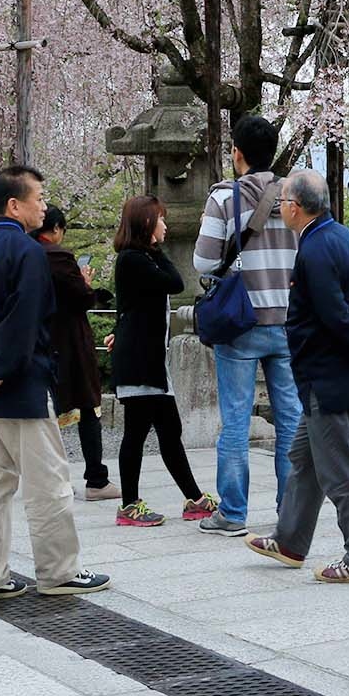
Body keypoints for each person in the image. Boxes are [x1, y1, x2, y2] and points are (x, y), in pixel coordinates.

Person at [0, 165, 109, 605]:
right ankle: (59, 570)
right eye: (39, 198)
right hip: (19, 387)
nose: (43, 206)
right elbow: (23, 322)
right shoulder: (28, 253)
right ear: (15, 205)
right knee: (47, 482)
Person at [245, 169, 349, 584]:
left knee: (343, 469)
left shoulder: (315, 248)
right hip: (329, 372)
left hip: (330, 374)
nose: (281, 207)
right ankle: (290, 540)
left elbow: (333, 316)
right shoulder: (341, 236)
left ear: (295, 206)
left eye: (283, 200)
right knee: (304, 460)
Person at [191, 113, 303, 535]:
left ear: (237, 153)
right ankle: (290, 512)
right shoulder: (296, 196)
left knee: (235, 420)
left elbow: (203, 261)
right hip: (288, 321)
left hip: (241, 321)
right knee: (291, 418)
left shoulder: (224, 198)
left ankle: (233, 514)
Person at [110, 194, 217, 527]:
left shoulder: (140, 257)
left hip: (149, 361)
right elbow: (175, 281)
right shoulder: (134, 259)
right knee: (139, 432)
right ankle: (129, 505)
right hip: (141, 362)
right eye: (160, 219)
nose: (166, 225)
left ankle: (195, 499)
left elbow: (127, 306)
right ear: (146, 224)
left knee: (169, 430)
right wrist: (157, 249)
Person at [37, 207, 115, 501]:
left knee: (44, 413)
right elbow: (81, 298)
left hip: (39, 341)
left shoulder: (24, 253)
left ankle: (49, 478)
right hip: (68, 343)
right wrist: (84, 282)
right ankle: (96, 479)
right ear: (57, 228)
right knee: (86, 406)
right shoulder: (58, 257)